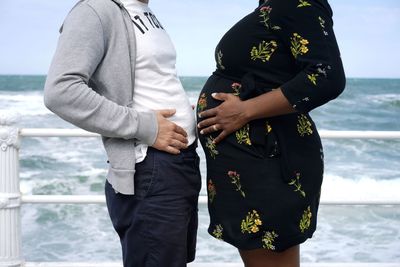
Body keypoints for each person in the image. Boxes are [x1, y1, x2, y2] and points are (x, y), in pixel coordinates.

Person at [43, 0, 201, 266]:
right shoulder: (95, 10)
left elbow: (149, 82)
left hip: (179, 162)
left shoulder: (143, 10)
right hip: (149, 165)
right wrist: (145, 126)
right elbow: (60, 91)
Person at [196, 0, 345, 266]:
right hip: (256, 159)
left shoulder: (295, 2)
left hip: (269, 159)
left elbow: (327, 76)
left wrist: (245, 110)